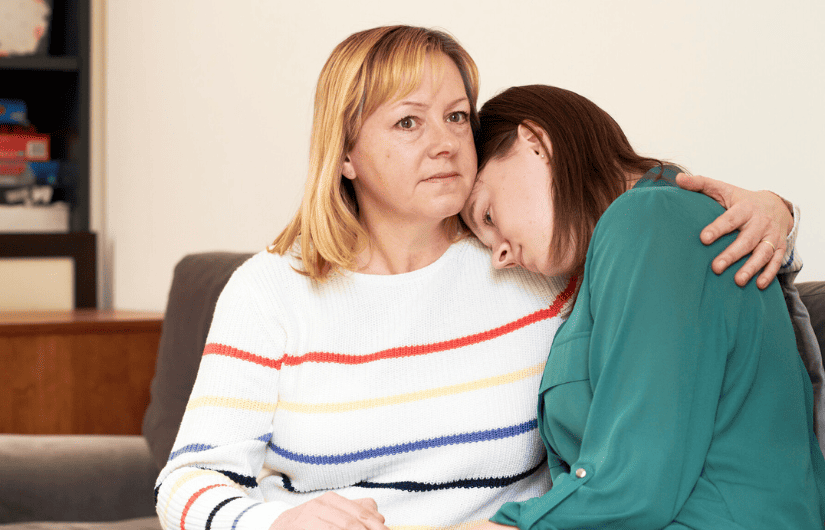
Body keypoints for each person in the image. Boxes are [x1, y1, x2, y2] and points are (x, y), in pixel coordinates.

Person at [154, 26, 797, 530]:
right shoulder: (270, 292)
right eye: (409, 121)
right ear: (345, 153)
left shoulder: (537, 268)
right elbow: (187, 482)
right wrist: (276, 522)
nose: (445, 142)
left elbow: (667, 258)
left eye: (457, 116)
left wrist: (774, 213)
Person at [461, 84, 825, 529]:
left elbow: (632, 485)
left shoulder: (648, 221)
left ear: (536, 144)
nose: (498, 255)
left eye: (489, 217)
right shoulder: (642, 233)